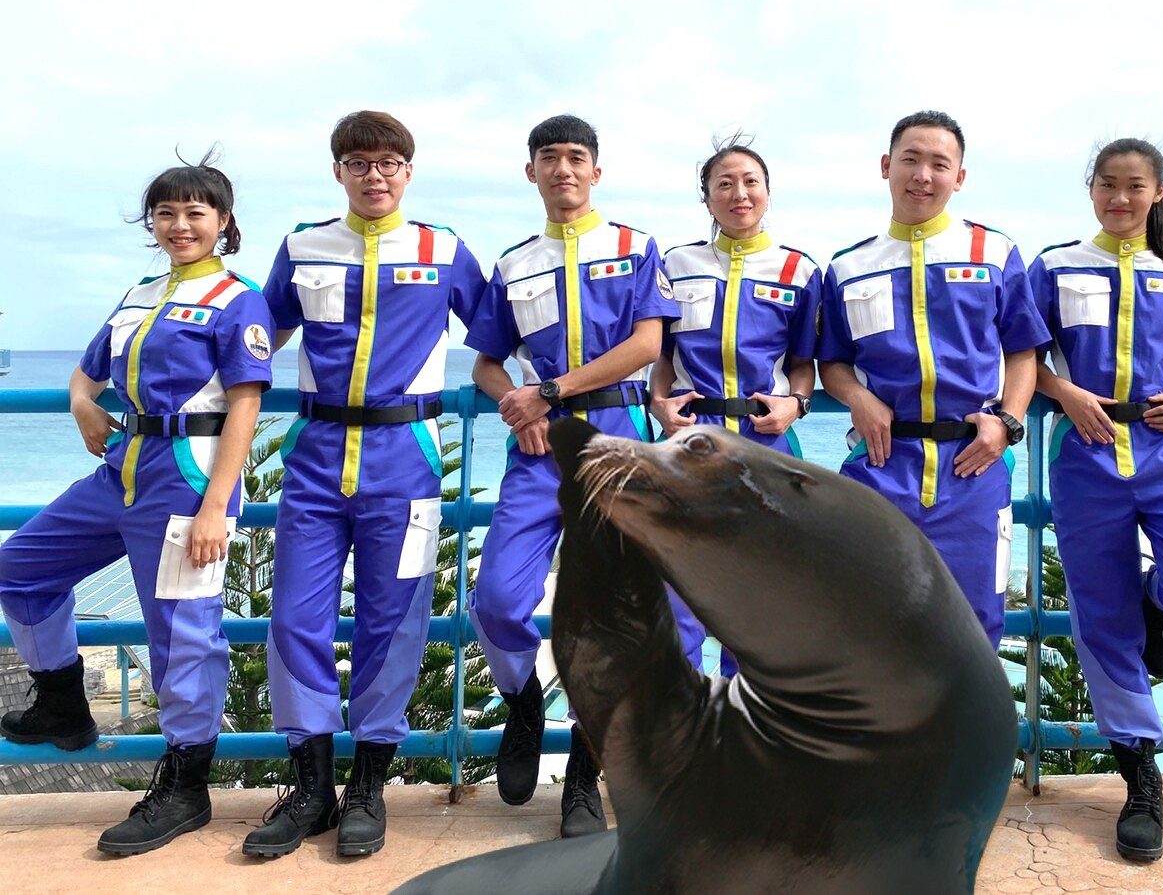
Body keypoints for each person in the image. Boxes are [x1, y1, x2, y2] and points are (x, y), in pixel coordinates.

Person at [0, 157, 270, 855]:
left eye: (195, 212)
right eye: (166, 212)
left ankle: (185, 787)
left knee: (182, 634)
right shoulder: (140, 292)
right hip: (121, 470)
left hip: (188, 477)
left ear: (223, 222)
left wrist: (217, 506)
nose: (180, 225)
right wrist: (82, 402)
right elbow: (87, 369)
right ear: (152, 222)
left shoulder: (237, 298)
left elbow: (245, 405)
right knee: (20, 568)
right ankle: (62, 703)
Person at [250, 111, 486, 860]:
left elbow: (500, 337)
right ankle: (312, 788)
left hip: (407, 461)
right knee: (293, 620)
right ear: (339, 173)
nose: (375, 174)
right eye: (359, 162)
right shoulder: (303, 245)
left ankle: (368, 787)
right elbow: (258, 332)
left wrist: (554, 393)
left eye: (389, 162)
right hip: (316, 457)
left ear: (408, 172)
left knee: (397, 622)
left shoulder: (444, 250)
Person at [465, 114, 685, 839]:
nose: (564, 169)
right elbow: (488, 362)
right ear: (531, 172)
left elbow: (648, 344)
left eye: (577, 157)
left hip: (619, 441)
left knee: (608, 618)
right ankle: (522, 700)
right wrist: (513, 400)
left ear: (597, 170)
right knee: (496, 600)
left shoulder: (633, 247)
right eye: (549, 158)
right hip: (538, 450)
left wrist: (549, 391)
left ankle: (586, 778)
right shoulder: (515, 262)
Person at [1027, 139, 1163, 863]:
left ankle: (1161, 599)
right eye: (1108, 185)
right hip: (1085, 455)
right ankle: (1140, 773)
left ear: (1156, 193)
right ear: (1091, 189)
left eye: (1135, 186)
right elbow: (1025, 359)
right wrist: (1064, 392)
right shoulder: (1055, 264)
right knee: (1100, 617)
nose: (1120, 197)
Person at [818, 110, 1048, 648]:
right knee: (864, 616)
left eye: (939, 164)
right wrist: (856, 397)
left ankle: (963, 733)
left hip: (974, 464)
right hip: (880, 462)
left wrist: (1007, 424)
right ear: (886, 166)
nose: (923, 175)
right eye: (911, 160)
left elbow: (1023, 352)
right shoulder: (849, 266)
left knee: (974, 622)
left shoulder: (994, 252)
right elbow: (832, 361)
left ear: (959, 177)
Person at [652, 135, 821, 676]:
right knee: (677, 592)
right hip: (687, 440)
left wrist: (796, 404)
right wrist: (659, 402)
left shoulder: (798, 270)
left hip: (765, 440)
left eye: (750, 182)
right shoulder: (675, 263)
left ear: (768, 192)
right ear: (707, 198)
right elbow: (661, 352)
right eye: (724, 183)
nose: (739, 193)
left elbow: (805, 363)